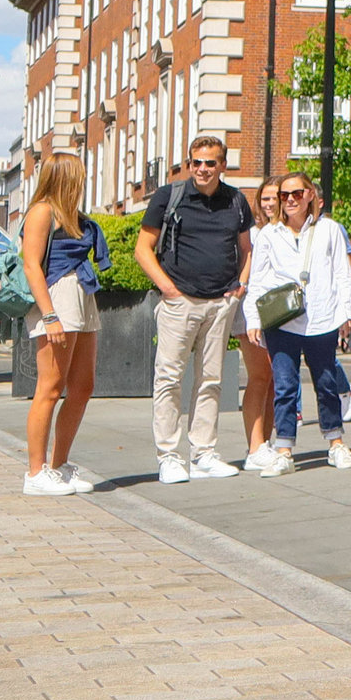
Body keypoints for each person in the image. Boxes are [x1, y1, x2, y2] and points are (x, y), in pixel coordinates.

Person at [134, 134, 256, 484]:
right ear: (189, 164)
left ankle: (203, 452)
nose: (202, 169)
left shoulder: (236, 201)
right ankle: (169, 456)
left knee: (211, 380)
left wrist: (240, 286)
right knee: (169, 379)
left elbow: (246, 248)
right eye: (196, 162)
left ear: (223, 165)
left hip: (220, 303)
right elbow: (144, 248)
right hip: (179, 302)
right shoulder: (169, 196)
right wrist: (168, 289)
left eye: (210, 163)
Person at [247, 171, 351, 472]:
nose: (290, 200)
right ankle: (284, 450)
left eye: (297, 193)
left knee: (326, 383)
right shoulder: (270, 235)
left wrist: (345, 312)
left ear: (310, 195)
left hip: (322, 319)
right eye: (285, 195)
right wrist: (253, 319)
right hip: (282, 321)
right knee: (284, 385)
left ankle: (336, 442)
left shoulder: (330, 230)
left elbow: (342, 275)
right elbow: (257, 280)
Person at [16, 150, 101, 496]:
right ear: (65, 177)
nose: (83, 180)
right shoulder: (42, 212)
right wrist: (49, 315)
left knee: (82, 387)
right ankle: (35, 473)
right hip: (57, 300)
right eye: (78, 175)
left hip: (82, 298)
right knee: (50, 388)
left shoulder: (72, 215)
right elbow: (32, 266)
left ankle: (58, 465)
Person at [237, 179, 282, 468]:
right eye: (264, 198)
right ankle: (254, 447)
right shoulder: (251, 233)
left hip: (280, 313)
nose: (268, 204)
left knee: (276, 380)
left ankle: (264, 443)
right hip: (250, 311)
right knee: (259, 376)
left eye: (273, 198)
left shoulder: (290, 232)